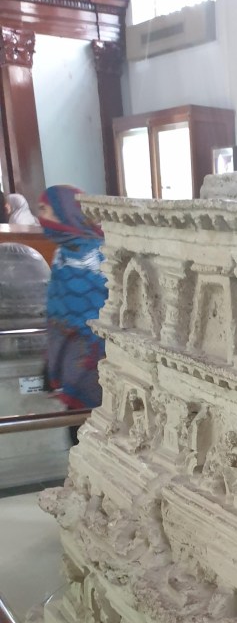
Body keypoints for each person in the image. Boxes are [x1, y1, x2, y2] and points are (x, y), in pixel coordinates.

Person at [38, 185, 107, 443]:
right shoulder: (61, 255)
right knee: (77, 431)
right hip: (69, 359)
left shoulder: (100, 254)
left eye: (45, 210)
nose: (41, 218)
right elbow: (57, 312)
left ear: (65, 211)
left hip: (98, 360)